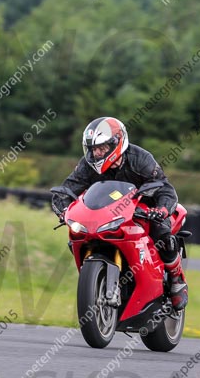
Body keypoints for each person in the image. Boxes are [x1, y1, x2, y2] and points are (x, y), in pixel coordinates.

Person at [51, 116, 188, 310]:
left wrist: (161, 210)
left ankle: (176, 280)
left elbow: (165, 187)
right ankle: (95, 283)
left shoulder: (140, 159)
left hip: (145, 208)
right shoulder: (87, 164)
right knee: (77, 236)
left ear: (117, 142)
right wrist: (63, 209)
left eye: (102, 148)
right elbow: (69, 188)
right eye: (92, 149)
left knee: (162, 234)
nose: (96, 153)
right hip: (108, 214)